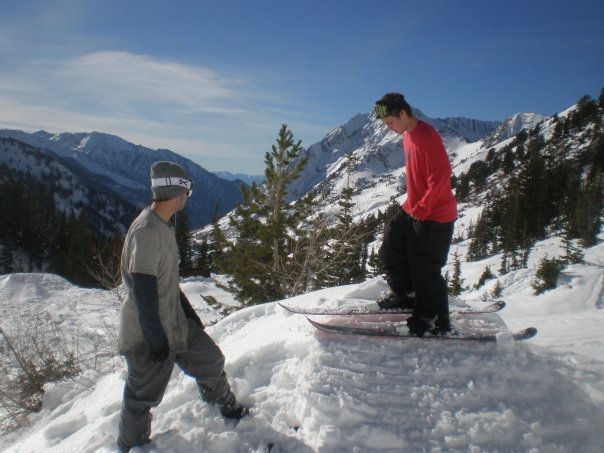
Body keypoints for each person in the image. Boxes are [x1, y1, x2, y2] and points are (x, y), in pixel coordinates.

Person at [117, 161, 248, 452]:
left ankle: (224, 407)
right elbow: (143, 288)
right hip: (147, 334)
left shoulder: (162, 226)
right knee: (141, 398)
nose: (188, 197)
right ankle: (130, 447)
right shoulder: (147, 231)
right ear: (177, 192)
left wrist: (190, 317)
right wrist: (155, 339)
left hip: (173, 323)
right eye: (187, 189)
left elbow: (167, 283)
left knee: (210, 360)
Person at [374, 93, 457, 337]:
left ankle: (432, 319)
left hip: (435, 214)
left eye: (390, 122)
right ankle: (406, 293)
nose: (389, 129)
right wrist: (413, 204)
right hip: (416, 206)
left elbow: (441, 177)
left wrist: (422, 207)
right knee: (391, 245)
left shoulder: (427, 136)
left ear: (402, 113)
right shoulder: (408, 136)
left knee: (426, 269)